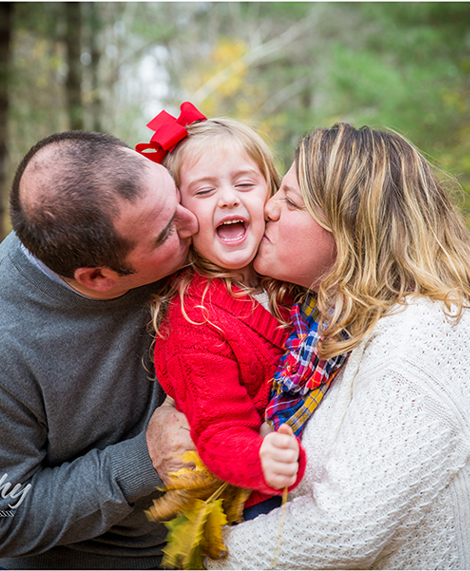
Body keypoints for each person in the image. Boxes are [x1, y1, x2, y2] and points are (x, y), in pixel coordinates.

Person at [207, 123, 470, 569]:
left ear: (353, 228)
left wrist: (209, 554)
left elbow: (345, 529)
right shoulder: (328, 330)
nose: (267, 209)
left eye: (289, 201)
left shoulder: (430, 333)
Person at [0, 130, 199, 570]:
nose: (191, 220)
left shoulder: (137, 206)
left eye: (175, 196)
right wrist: (144, 460)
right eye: (166, 233)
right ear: (97, 278)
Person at [139, 103, 305, 520]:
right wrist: (263, 461)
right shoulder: (192, 320)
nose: (228, 199)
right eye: (205, 191)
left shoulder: (288, 279)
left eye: (245, 184)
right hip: (259, 502)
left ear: (271, 195)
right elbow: (217, 431)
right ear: (180, 215)